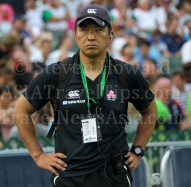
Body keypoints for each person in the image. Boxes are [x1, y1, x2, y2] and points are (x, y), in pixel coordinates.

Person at [13, 5, 157, 187]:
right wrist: (38, 155)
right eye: (84, 30)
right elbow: (20, 110)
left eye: (98, 30)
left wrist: (137, 150)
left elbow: (150, 110)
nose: (90, 37)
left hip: (116, 175)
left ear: (110, 35)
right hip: (69, 177)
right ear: (75, 35)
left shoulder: (126, 73)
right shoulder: (57, 73)